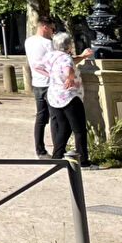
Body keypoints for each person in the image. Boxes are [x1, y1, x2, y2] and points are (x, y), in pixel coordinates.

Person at [45, 31, 93, 165]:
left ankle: (57, 156)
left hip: (54, 96)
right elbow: (67, 69)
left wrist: (82, 56)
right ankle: (83, 160)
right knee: (79, 130)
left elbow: (38, 66)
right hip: (69, 96)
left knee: (64, 128)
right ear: (68, 45)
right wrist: (70, 77)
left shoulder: (51, 56)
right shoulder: (66, 58)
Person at [24, 16, 56, 158]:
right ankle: (58, 149)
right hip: (50, 83)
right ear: (45, 27)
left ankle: (40, 150)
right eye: (52, 29)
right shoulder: (49, 43)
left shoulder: (29, 41)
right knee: (56, 117)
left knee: (41, 117)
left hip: (37, 83)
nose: (53, 32)